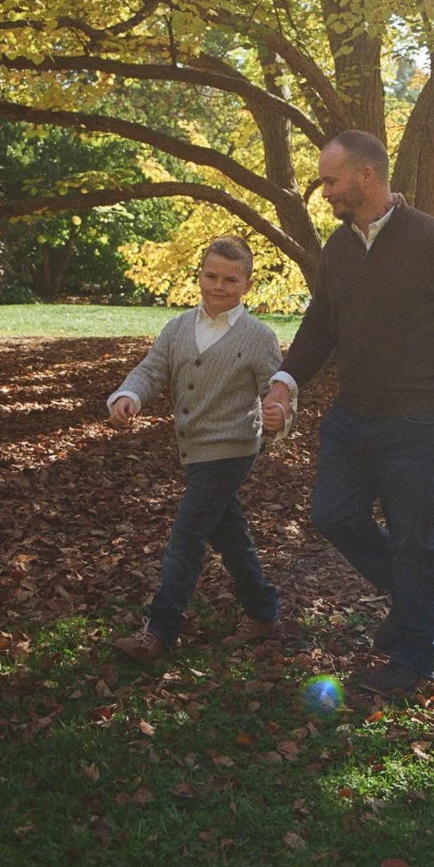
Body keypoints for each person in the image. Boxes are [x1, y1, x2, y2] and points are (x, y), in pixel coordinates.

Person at [260, 130, 434, 700]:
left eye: (330, 180)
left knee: (413, 538)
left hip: (417, 421)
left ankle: (413, 655)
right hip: (350, 417)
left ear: (366, 175)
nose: (323, 191)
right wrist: (284, 383)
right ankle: (419, 603)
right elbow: (320, 328)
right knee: (334, 515)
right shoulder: (337, 250)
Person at [105, 236, 291, 665]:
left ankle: (160, 631)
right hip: (193, 448)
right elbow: (151, 370)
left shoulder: (258, 336)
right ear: (200, 275)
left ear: (246, 284)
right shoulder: (178, 328)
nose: (219, 286)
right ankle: (264, 613)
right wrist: (128, 395)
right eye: (211, 276)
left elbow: (276, 390)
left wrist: (280, 413)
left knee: (187, 536)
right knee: (228, 534)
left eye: (231, 279)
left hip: (233, 448)